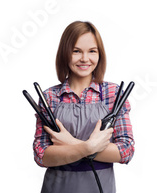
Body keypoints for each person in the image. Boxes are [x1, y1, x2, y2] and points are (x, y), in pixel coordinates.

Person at [32, 21, 134, 193]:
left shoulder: (113, 93)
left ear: (100, 54)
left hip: (99, 187)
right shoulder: (49, 97)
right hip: (57, 187)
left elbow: (126, 150)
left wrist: (70, 143)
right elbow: (41, 155)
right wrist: (88, 147)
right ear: (65, 53)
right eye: (76, 51)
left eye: (92, 51)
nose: (85, 58)